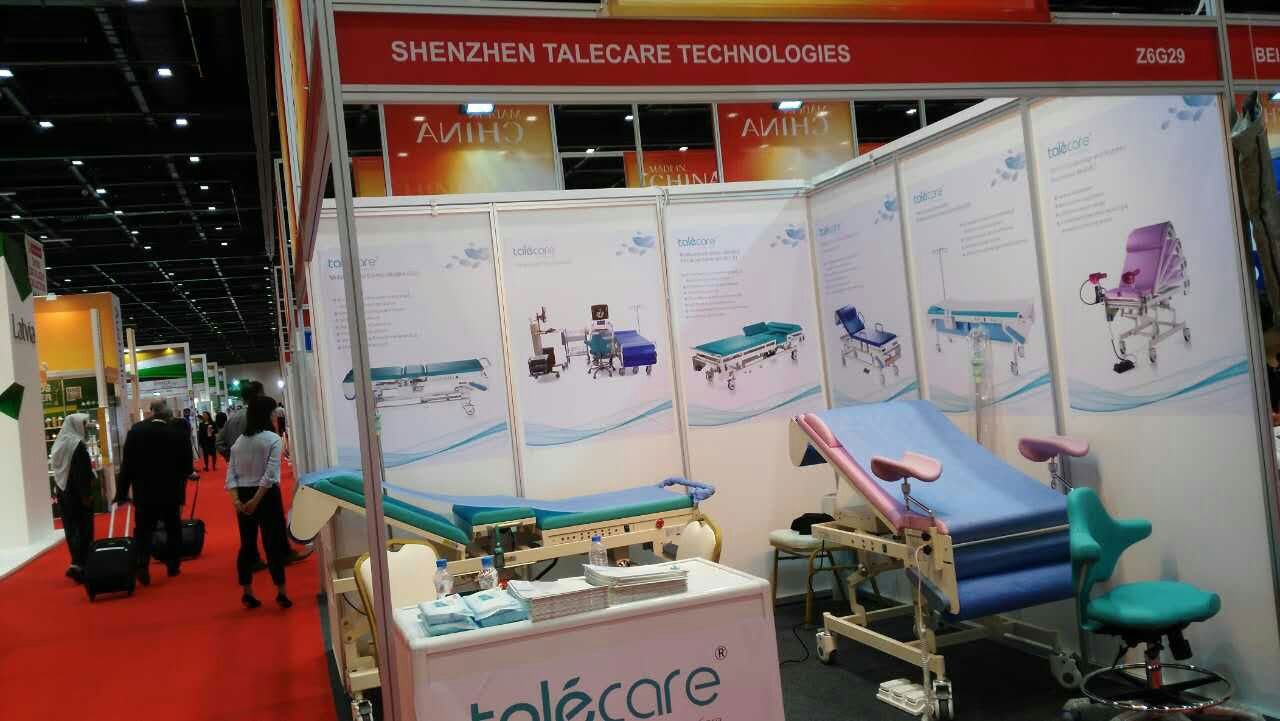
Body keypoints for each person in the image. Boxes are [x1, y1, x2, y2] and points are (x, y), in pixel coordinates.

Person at [115, 399, 193, 584]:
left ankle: (142, 563)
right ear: (168, 414)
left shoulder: (136, 431)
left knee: (143, 530)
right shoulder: (178, 432)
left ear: (151, 411)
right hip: (171, 490)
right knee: (172, 527)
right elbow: (187, 466)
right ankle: (173, 565)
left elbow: (127, 465)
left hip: (144, 492)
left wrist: (122, 492)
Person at [227, 396, 291, 609]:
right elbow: (270, 475)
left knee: (247, 544)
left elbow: (230, 475)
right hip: (267, 496)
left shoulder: (239, 442)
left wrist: (238, 501)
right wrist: (256, 500)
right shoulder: (272, 439)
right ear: (267, 414)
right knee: (272, 543)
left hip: (243, 496)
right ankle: (281, 592)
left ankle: (247, 591)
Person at [50, 413, 96, 582]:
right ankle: (81, 565)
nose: (85, 428)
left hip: (64, 493)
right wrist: (86, 495)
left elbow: (58, 470)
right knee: (83, 528)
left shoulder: (59, 444)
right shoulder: (77, 445)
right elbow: (81, 473)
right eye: (83, 424)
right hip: (78, 494)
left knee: (71, 528)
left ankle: (76, 562)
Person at [216, 381, 264, 459]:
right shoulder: (260, 416)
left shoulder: (232, 418)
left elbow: (219, 442)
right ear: (259, 395)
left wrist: (231, 456)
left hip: (238, 463)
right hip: (258, 462)